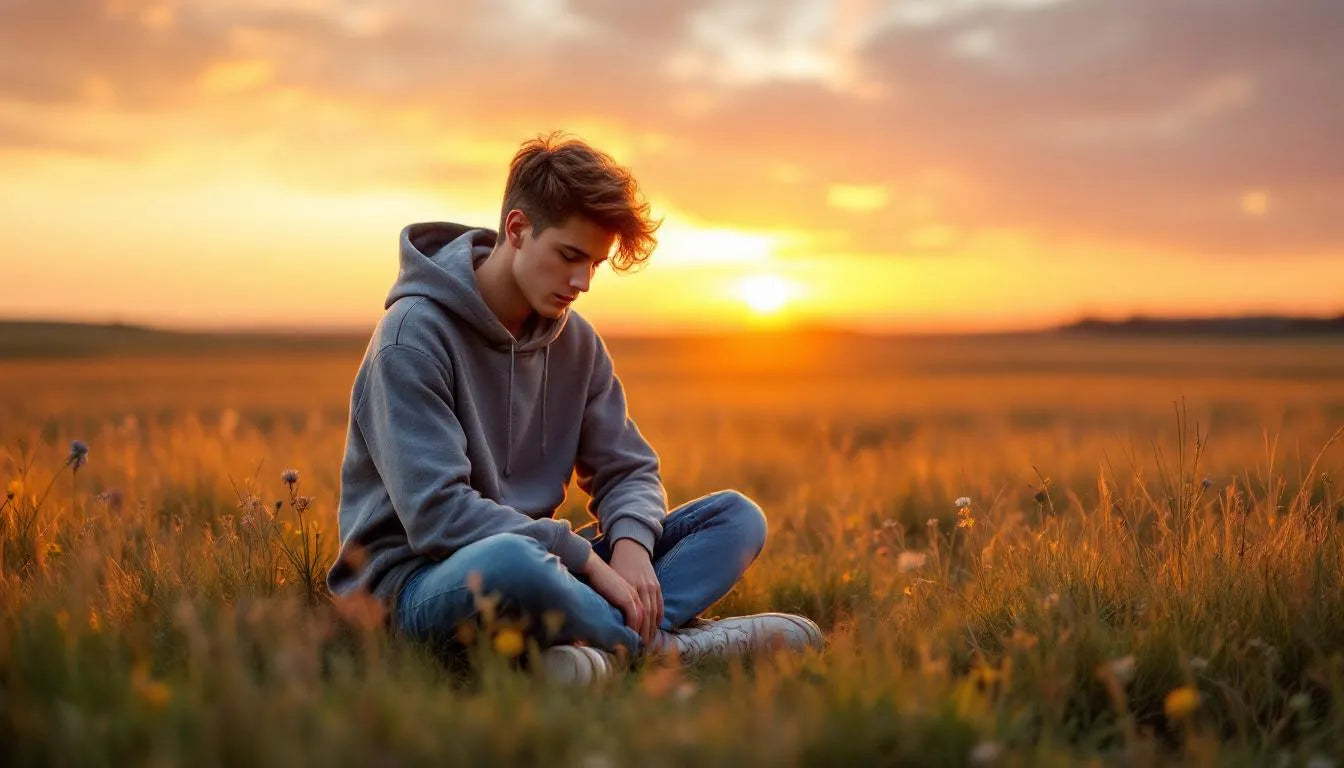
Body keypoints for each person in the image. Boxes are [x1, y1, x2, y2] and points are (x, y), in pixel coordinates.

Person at [327, 133, 823, 683]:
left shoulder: (577, 342)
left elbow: (628, 468)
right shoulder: (412, 338)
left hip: (545, 566)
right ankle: (662, 649)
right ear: (516, 230)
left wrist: (632, 549)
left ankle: (578, 651)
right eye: (569, 256)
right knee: (513, 563)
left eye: (595, 264)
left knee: (734, 517)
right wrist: (589, 563)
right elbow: (439, 516)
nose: (582, 282)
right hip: (414, 588)